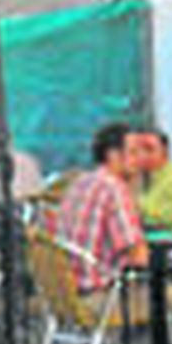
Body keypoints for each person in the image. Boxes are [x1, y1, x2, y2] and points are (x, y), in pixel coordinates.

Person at [54, 122, 147, 295]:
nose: (140, 159)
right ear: (113, 155)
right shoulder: (113, 188)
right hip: (102, 294)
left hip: (68, 292)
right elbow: (136, 253)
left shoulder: (79, 183)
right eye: (133, 152)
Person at [126, 128, 172, 232]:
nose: (142, 155)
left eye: (149, 149)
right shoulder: (142, 178)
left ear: (164, 152)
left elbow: (160, 224)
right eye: (136, 150)